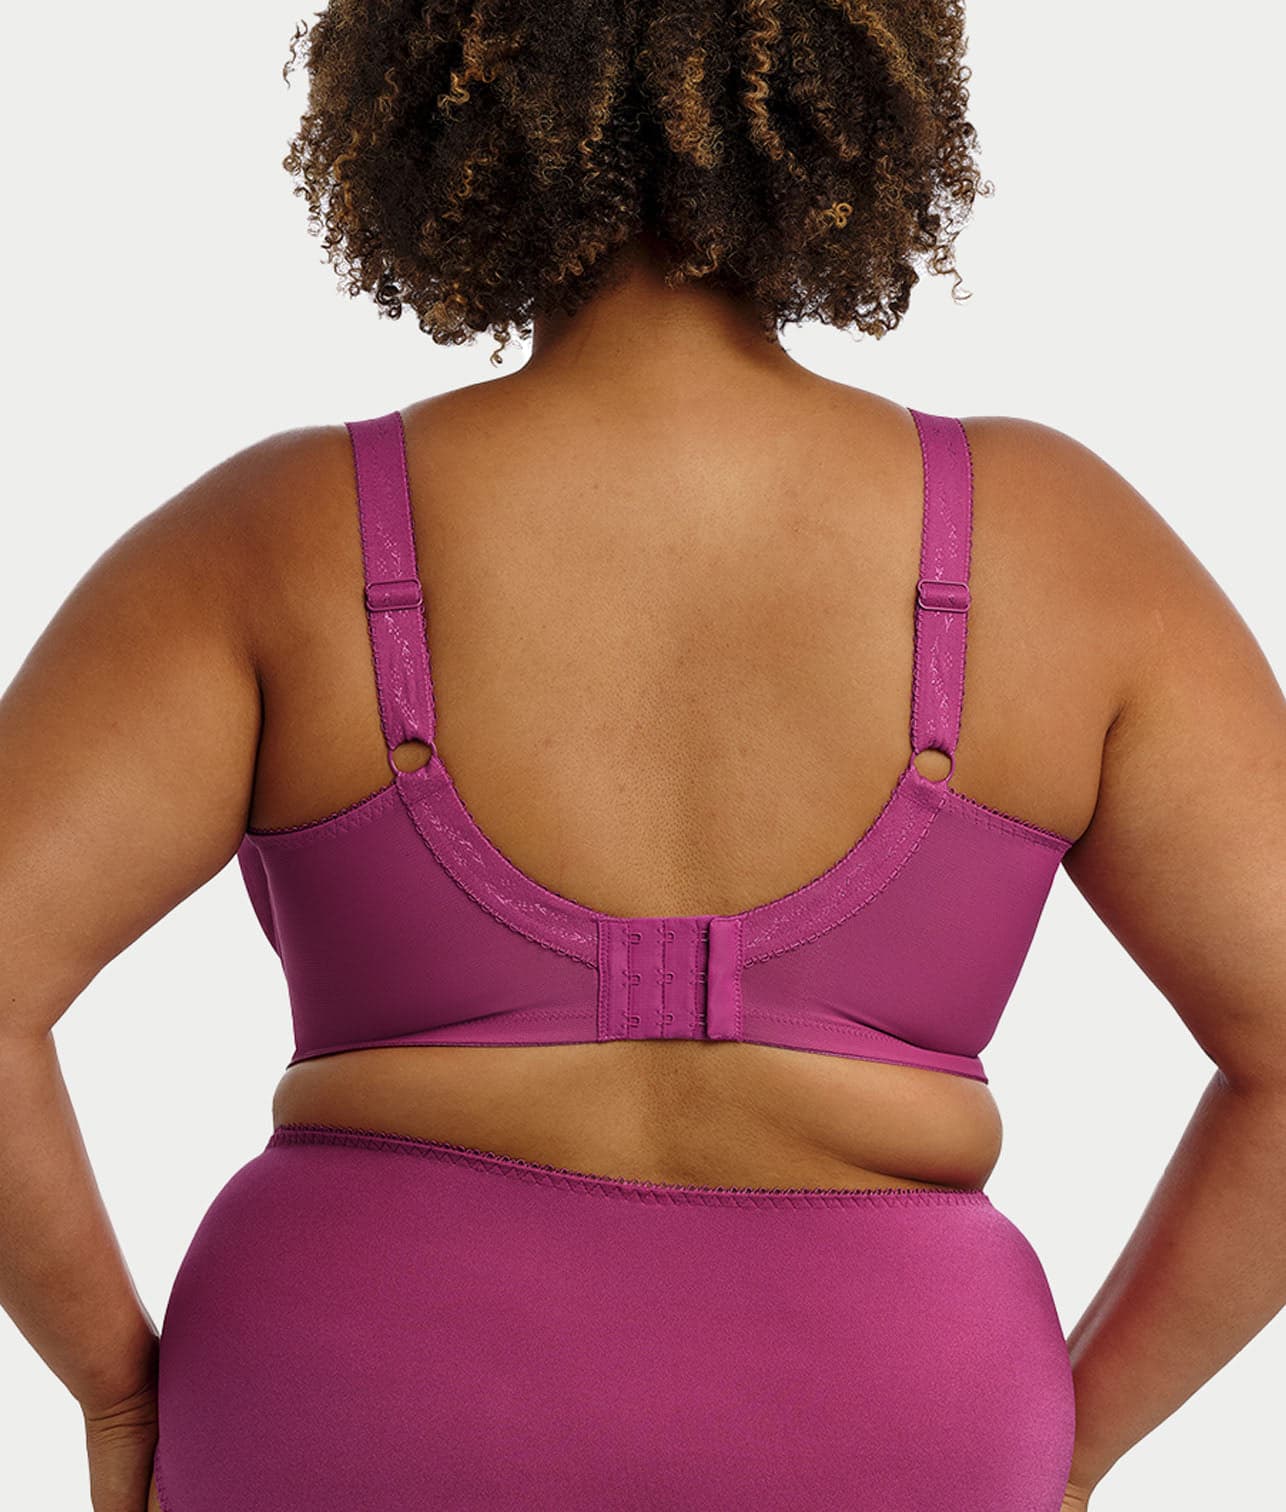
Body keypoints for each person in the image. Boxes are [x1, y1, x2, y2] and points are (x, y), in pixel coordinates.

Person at [2, 3, 1284, 1510]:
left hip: (348, 1404)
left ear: (429, 110)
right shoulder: (1059, 543)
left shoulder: (274, 534)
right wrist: (1075, 1444)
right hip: (889, 1419)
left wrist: (116, 1394)